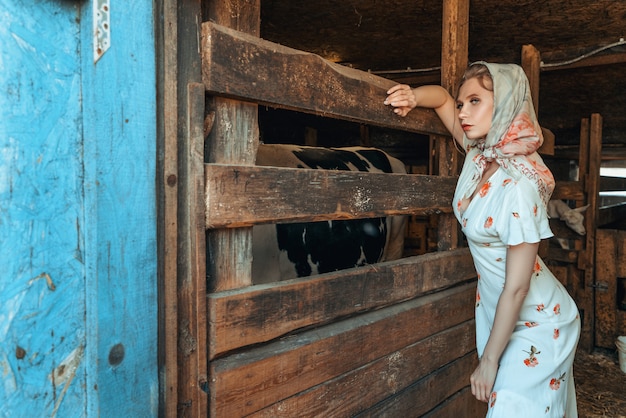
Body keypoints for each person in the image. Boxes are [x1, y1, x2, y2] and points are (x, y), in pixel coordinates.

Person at [384, 62, 581, 417]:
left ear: (505, 104)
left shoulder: (519, 185)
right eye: (463, 104)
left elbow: (518, 288)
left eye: (475, 101)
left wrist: (489, 361)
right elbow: (442, 99)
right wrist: (414, 96)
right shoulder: (480, 155)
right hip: (498, 311)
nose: (462, 112)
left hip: (538, 318)